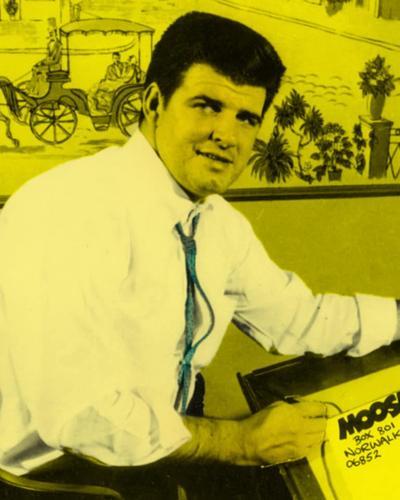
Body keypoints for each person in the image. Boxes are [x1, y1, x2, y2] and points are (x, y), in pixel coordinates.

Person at [0, 11, 398, 499]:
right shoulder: (69, 208)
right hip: (52, 482)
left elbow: (297, 319)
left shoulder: (217, 223)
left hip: (155, 455)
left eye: (246, 118)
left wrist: (399, 317)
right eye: (207, 106)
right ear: (153, 102)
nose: (227, 136)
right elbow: (82, 415)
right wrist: (240, 442)